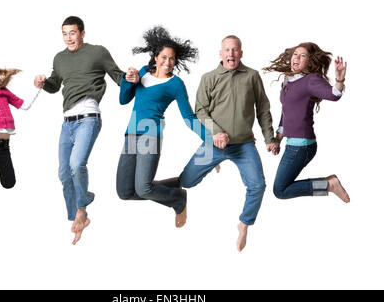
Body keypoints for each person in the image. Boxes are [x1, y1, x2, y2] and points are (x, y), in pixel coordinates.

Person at [33, 16, 138, 245]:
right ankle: (80, 214)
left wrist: (130, 78)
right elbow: (54, 84)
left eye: (72, 32)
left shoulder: (97, 52)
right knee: (63, 173)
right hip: (67, 121)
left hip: (89, 117)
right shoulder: (59, 58)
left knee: (76, 164)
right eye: (64, 33)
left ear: (82, 33)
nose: (68, 37)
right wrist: (43, 82)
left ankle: (82, 207)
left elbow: (118, 76)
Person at [178, 35, 277, 252]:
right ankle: (214, 162)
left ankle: (244, 223)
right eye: (227, 50)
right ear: (220, 54)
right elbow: (200, 111)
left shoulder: (252, 76)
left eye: (235, 50)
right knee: (186, 181)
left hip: (244, 146)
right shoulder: (209, 78)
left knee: (258, 186)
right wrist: (215, 132)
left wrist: (269, 138)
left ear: (241, 53)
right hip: (213, 144)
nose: (231, 54)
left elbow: (263, 109)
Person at [116, 26, 210, 228]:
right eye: (164, 57)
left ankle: (178, 200)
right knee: (125, 192)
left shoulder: (176, 84)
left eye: (172, 59)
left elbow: (189, 117)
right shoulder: (142, 72)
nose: (168, 62)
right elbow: (123, 100)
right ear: (156, 57)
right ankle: (174, 186)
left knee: (143, 189)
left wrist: (210, 138)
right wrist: (127, 80)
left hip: (151, 134)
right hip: (131, 134)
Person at [262, 42, 350, 203]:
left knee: (280, 190)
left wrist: (340, 79)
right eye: (295, 54)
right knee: (280, 189)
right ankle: (328, 184)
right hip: (293, 144)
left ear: (309, 62)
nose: (297, 57)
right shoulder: (288, 80)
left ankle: (328, 185)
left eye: (303, 56)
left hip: (302, 146)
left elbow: (334, 94)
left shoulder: (311, 80)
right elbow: (286, 112)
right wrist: (278, 139)